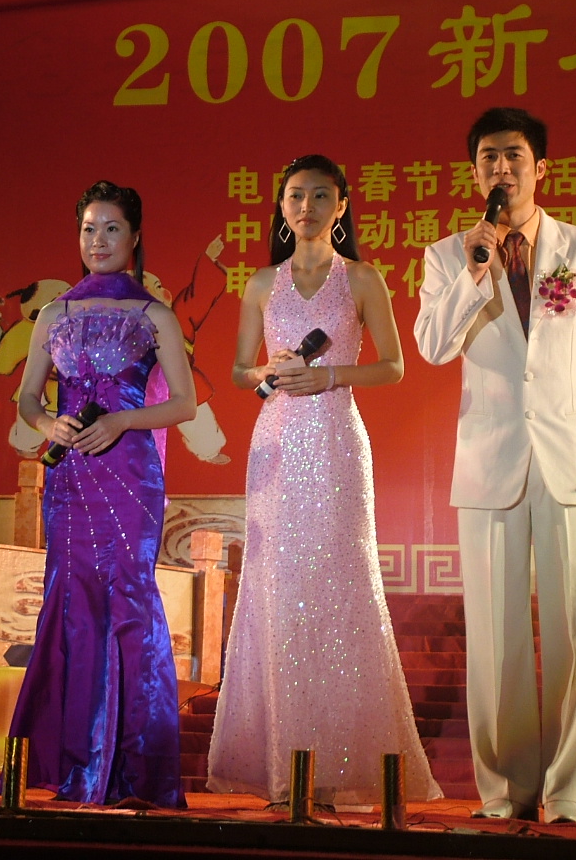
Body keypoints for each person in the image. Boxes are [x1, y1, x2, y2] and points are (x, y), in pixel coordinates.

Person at [412, 108, 576, 824]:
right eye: (488, 158)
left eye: (513, 156)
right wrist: (474, 272)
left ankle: (566, 793)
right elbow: (432, 347)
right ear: (474, 171)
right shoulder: (448, 256)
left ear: (540, 169)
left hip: (571, 459)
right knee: (496, 637)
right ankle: (504, 791)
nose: (500, 169)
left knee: (574, 632)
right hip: (490, 462)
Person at [207, 155, 440, 807]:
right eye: (294, 196)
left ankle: (339, 768)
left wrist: (329, 375)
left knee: (339, 590)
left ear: (341, 206)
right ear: (281, 207)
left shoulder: (361, 279)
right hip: (278, 444)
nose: (305, 206)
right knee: (278, 591)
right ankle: (285, 767)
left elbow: (393, 365)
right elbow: (237, 370)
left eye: (318, 196)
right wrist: (269, 372)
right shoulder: (262, 282)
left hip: (336, 441)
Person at [7, 180, 197, 808]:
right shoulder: (53, 314)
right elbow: (27, 398)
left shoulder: (154, 315)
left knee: (128, 600)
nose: (98, 240)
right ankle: (72, 763)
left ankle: (135, 769)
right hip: (71, 479)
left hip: (129, 475)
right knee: (71, 601)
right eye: (89, 229)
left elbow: (185, 403)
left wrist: (121, 422)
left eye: (112, 228)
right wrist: (47, 424)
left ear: (135, 236)